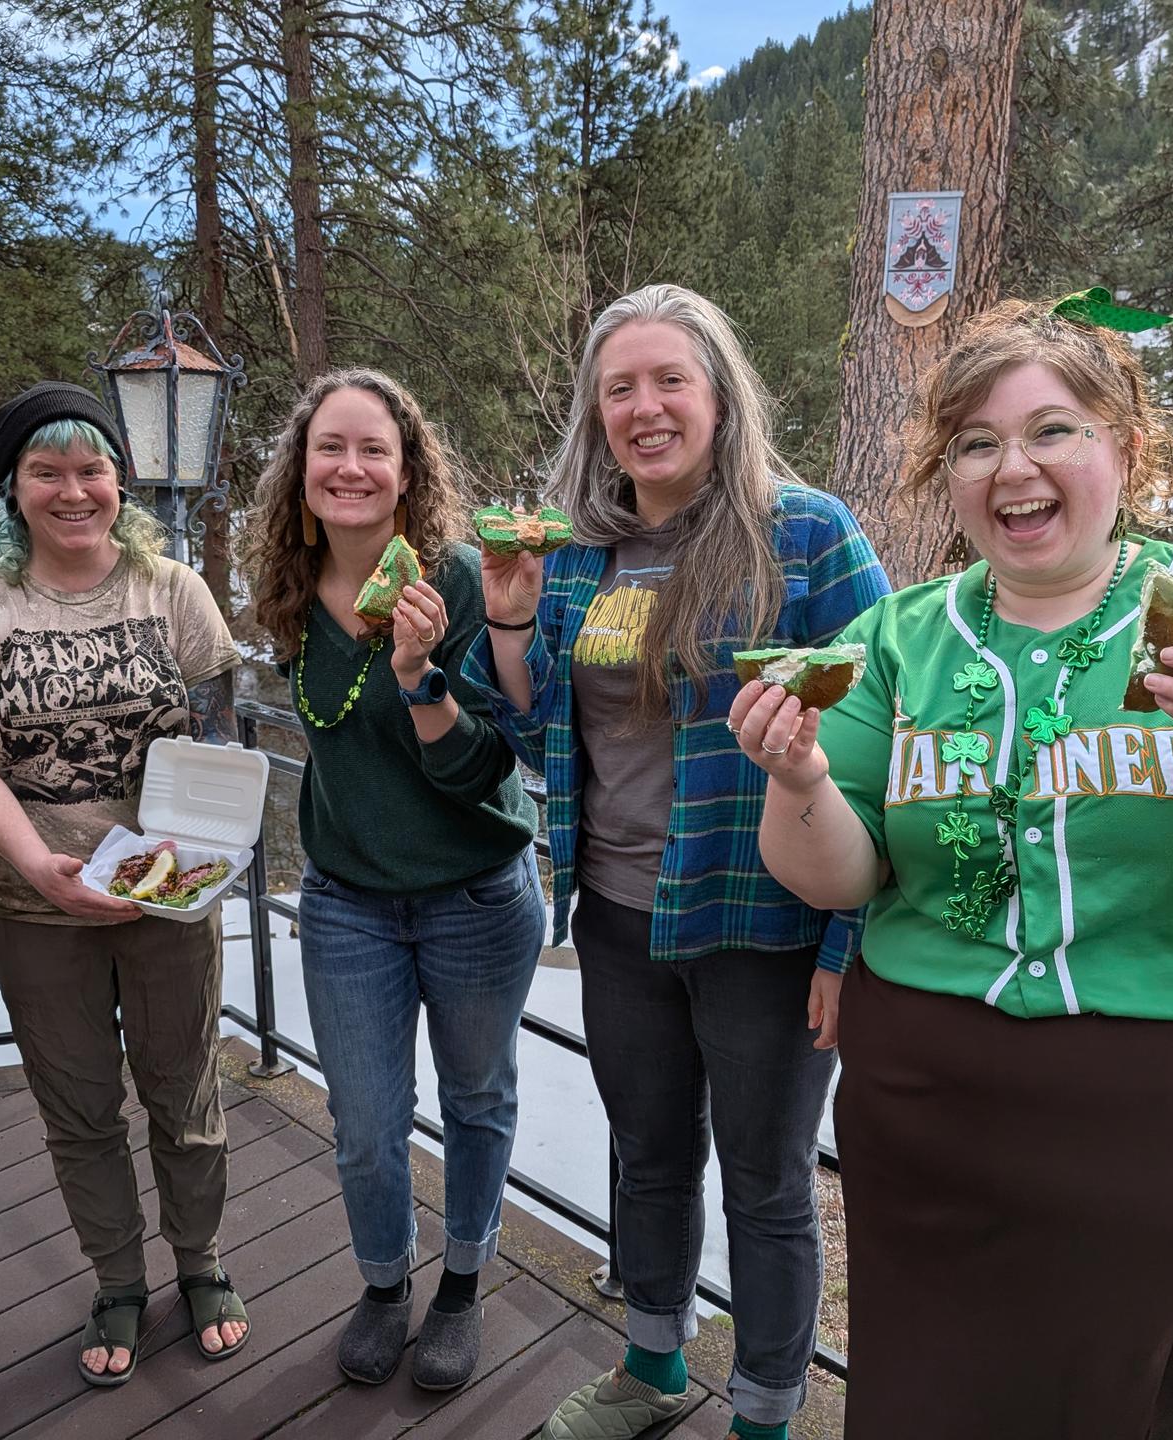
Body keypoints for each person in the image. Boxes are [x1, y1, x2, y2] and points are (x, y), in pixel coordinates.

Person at [732, 294, 1173, 1439]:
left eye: (1052, 429)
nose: (1011, 466)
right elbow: (830, 878)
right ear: (949, 474)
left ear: (1123, 446)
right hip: (941, 1147)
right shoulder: (894, 638)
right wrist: (799, 783)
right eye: (976, 443)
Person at [461, 283, 890, 1440]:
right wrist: (506, 619)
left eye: (670, 381)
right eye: (620, 389)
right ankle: (652, 1371)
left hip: (766, 923)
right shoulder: (579, 551)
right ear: (595, 413)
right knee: (647, 1154)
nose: (645, 407)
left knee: (766, 1184)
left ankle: (762, 1416)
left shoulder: (806, 534)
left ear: (719, 396)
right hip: (617, 915)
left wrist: (848, 946)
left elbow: (888, 743)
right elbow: (538, 728)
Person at [0, 382, 247, 1389]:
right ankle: (116, 1277)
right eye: (47, 472)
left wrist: (195, 847)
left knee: (184, 1095)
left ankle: (199, 1261)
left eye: (92, 469)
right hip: (37, 906)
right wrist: (37, 868)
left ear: (121, 480)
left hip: (168, 898)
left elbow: (221, 729)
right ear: (12, 490)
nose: (74, 491)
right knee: (79, 1109)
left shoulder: (174, 590)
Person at [245, 369, 546, 1391]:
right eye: (331, 448)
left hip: (473, 893)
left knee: (475, 1099)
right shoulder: (289, 592)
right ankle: (385, 1286)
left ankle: (461, 1286)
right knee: (368, 1126)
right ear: (301, 470)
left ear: (408, 468)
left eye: (375, 449)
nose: (352, 468)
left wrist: (419, 677)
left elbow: (482, 771)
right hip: (346, 903)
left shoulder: (458, 582)